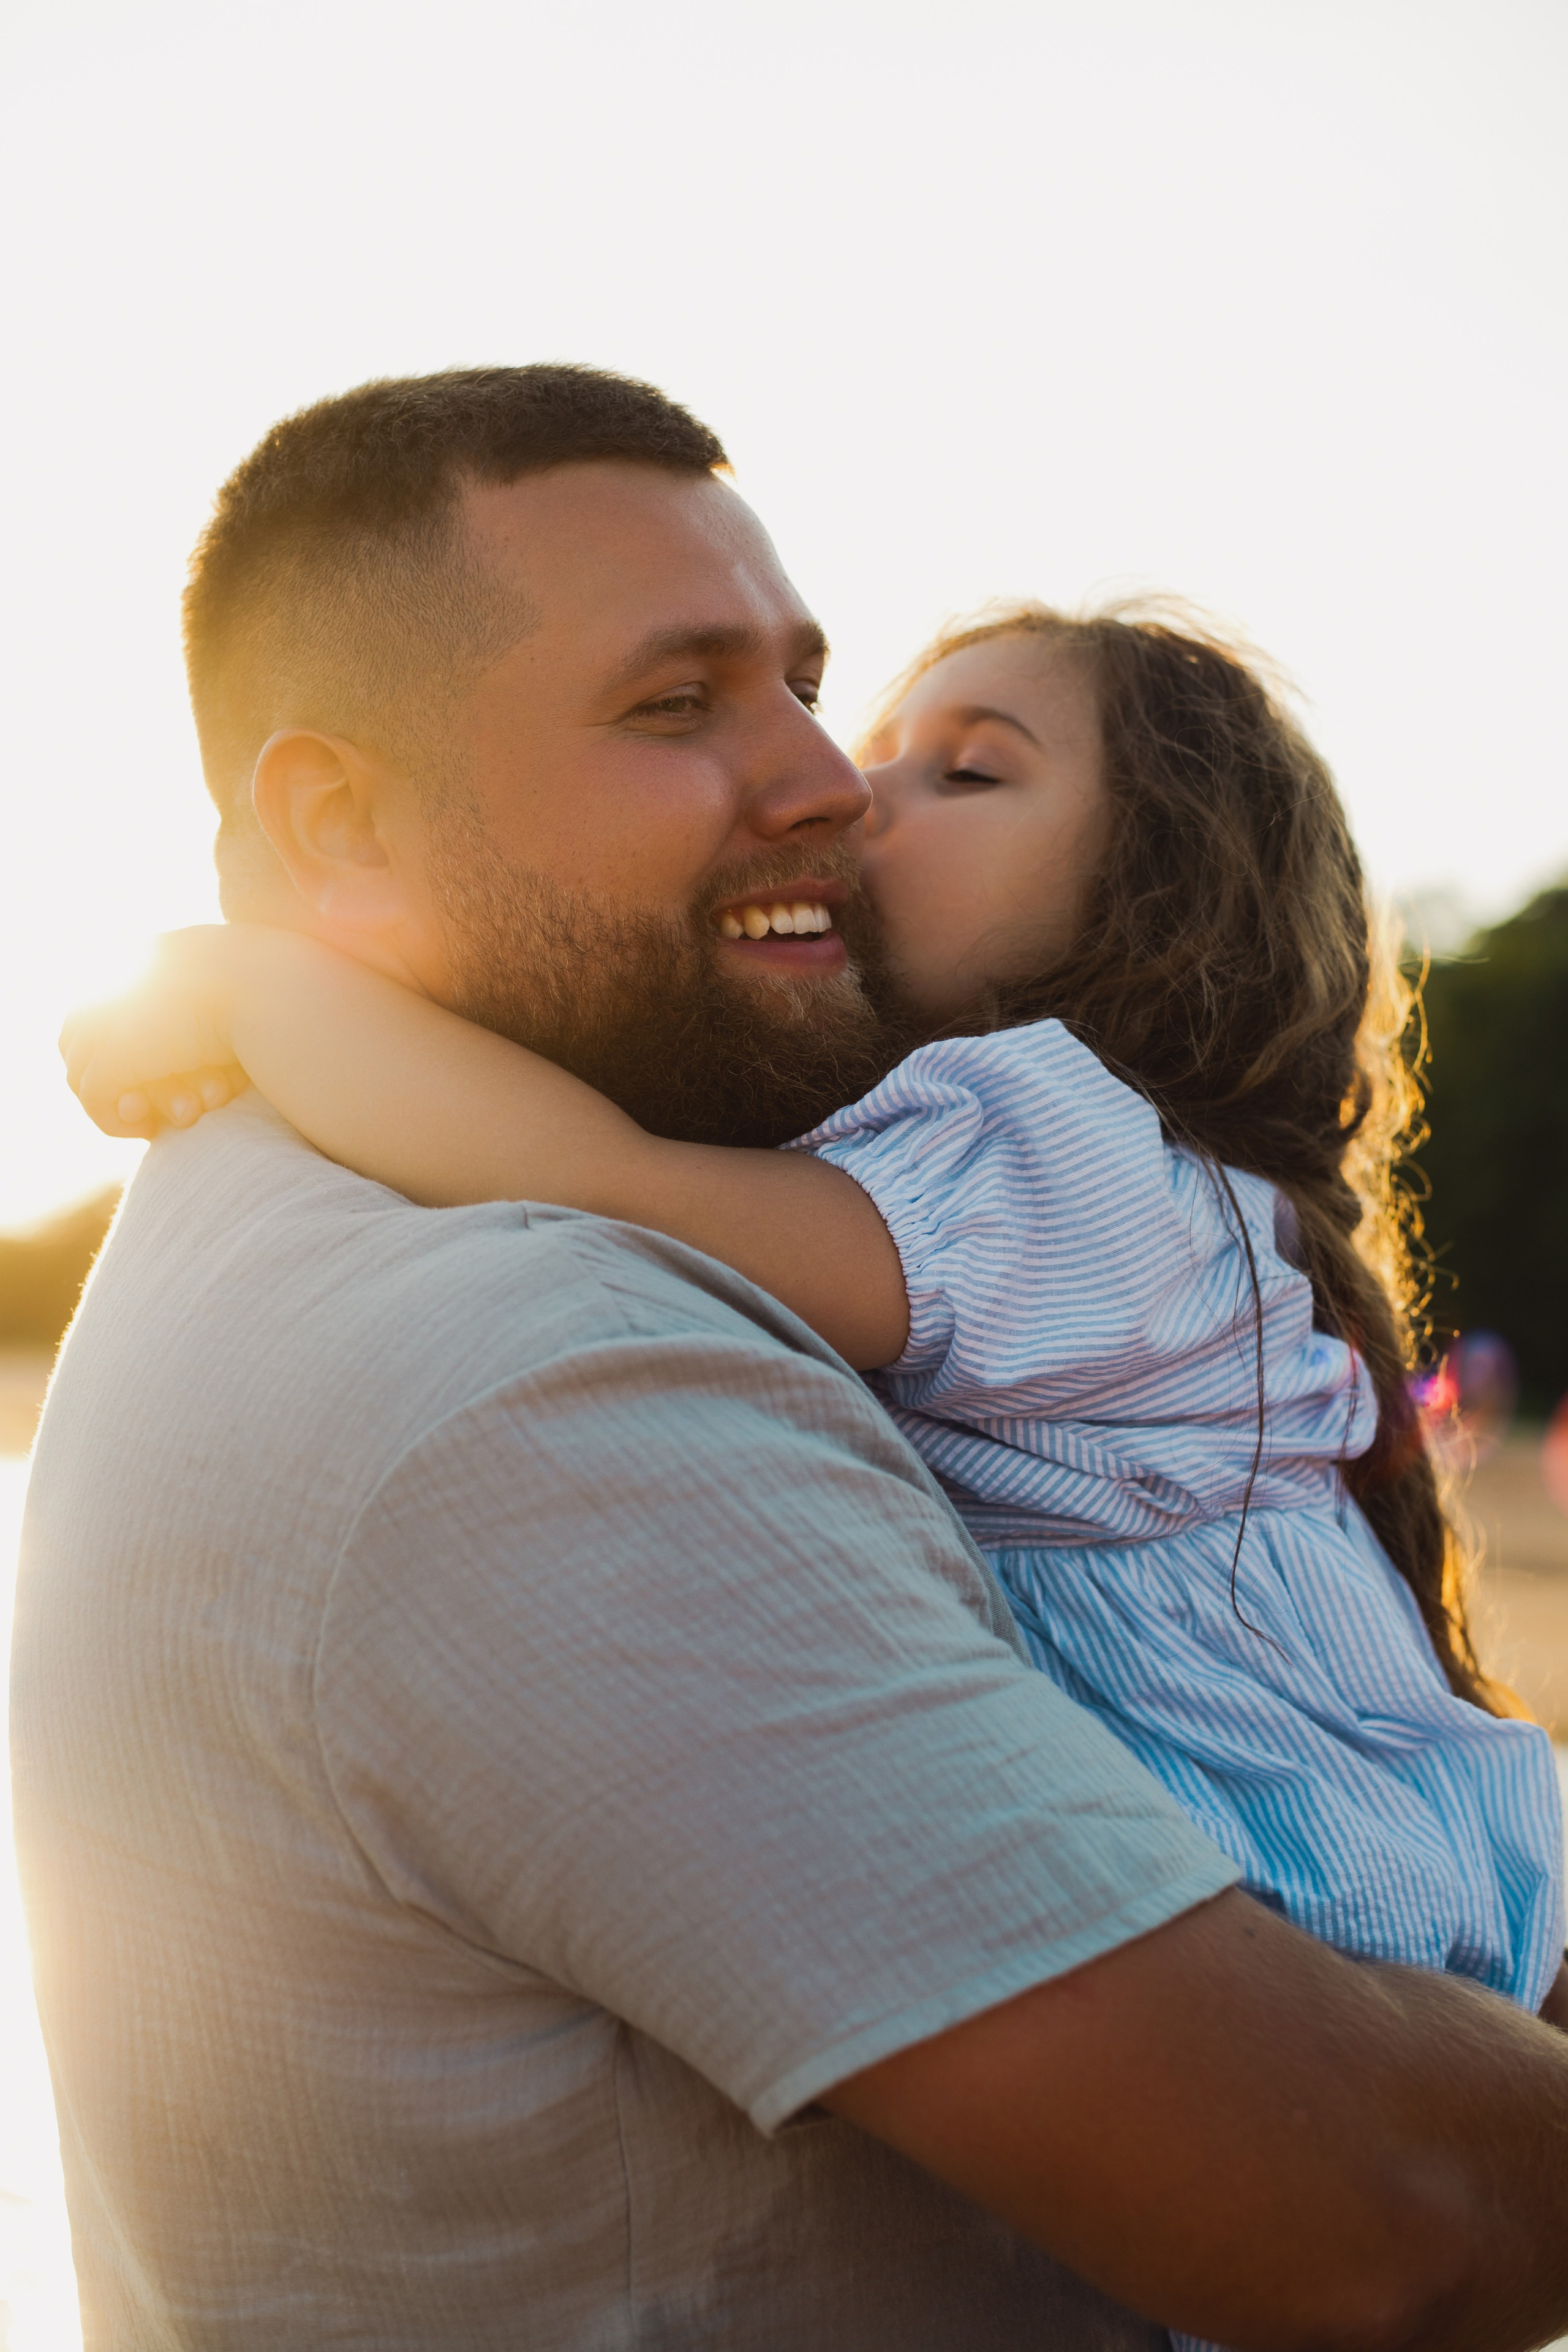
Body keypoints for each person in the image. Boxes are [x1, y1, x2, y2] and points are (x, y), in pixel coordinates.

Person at [16, 365, 1568, 2352]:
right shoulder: (538, 1368)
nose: (832, 781)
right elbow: (1383, 2218)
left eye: (809, 686)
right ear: (335, 817)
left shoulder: (282, 1211)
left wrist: (249, 997)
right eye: (677, 703)